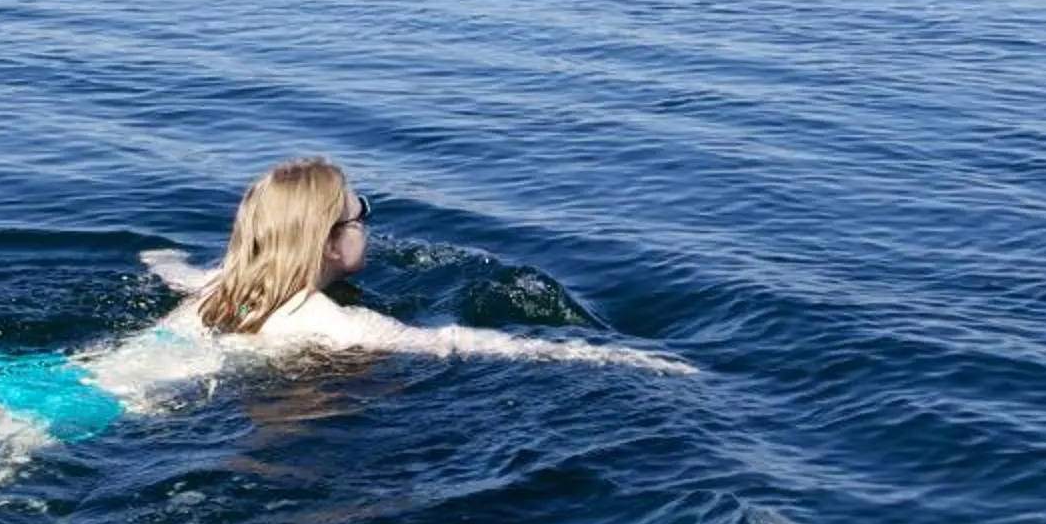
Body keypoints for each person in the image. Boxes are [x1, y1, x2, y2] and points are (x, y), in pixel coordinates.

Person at [146, 157, 687, 369]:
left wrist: (157, 255)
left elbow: (168, 269)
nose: (368, 225)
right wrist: (623, 358)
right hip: (125, 406)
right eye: (362, 215)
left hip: (83, 376)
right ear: (331, 243)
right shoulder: (332, 321)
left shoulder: (221, 283)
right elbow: (452, 342)